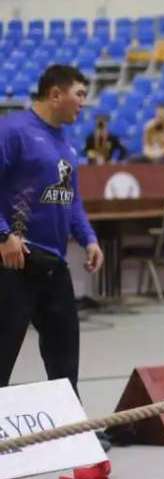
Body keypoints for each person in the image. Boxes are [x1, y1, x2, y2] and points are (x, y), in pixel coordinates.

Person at [1, 65, 104, 392]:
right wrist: (3, 235)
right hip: (14, 262)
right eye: (79, 94)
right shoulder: (13, 131)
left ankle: (71, 433)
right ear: (55, 94)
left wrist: (88, 238)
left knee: (65, 357)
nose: (83, 103)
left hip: (53, 265)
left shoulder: (66, 145)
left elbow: (71, 201)